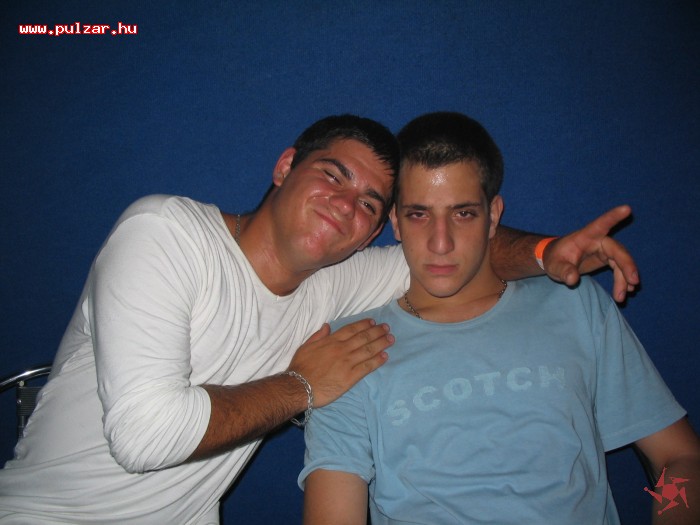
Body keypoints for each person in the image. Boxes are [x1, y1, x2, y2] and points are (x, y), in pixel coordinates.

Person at [0, 114, 639, 524]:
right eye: (333, 176)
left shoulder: (338, 284)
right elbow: (144, 436)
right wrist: (303, 386)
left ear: (374, 231)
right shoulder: (167, 233)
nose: (344, 204)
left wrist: (547, 251)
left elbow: (451, 252)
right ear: (285, 167)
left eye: (369, 203)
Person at [299, 112, 700, 525]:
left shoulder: (574, 305)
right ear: (396, 222)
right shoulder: (350, 349)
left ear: (493, 216)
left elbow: (680, 459)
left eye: (463, 214)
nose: (441, 243)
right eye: (419, 214)